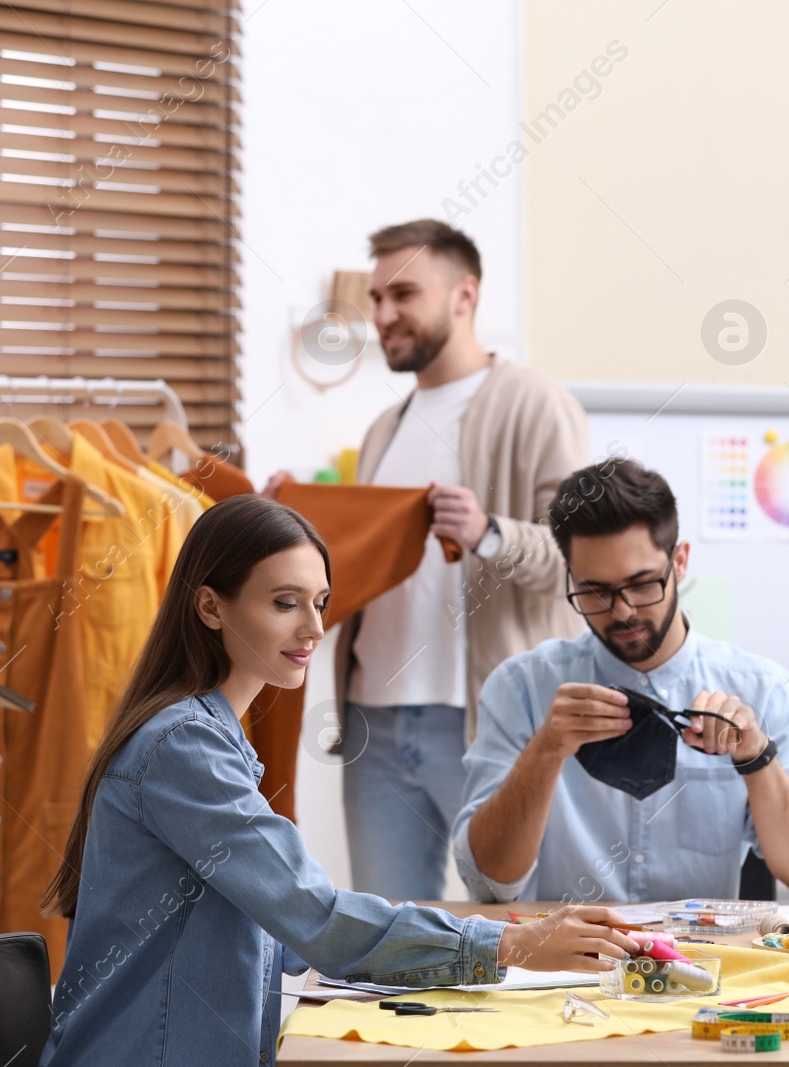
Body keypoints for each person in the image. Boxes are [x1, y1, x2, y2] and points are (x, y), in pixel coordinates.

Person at [38, 495, 639, 1066]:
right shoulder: (184, 747)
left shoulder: (211, 736)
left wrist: (454, 949)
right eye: (284, 603)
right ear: (211, 607)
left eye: (320, 602)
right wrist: (509, 945)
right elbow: (316, 918)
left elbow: (294, 934)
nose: (314, 628)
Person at [268, 219, 589, 900]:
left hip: (483, 722)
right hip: (374, 725)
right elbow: (360, 561)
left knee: (522, 923)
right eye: (377, 297)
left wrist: (489, 532)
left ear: (465, 295)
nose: (383, 315)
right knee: (392, 942)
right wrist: (287, 518)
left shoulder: (536, 404)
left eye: (403, 294)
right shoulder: (385, 426)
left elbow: (581, 560)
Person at [452, 459, 789, 903]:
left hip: (705, 961)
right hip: (563, 964)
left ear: (680, 562)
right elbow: (486, 883)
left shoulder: (764, 691)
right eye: (595, 590)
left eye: (641, 584)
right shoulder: (521, 689)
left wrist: (756, 757)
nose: (622, 612)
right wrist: (544, 752)